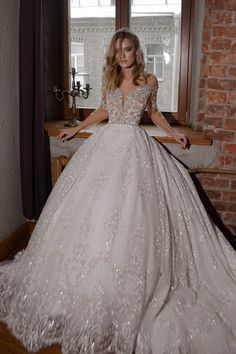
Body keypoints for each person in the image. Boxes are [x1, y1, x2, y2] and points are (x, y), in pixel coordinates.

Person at [0, 28, 236, 354]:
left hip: (135, 147)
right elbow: (103, 111)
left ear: (136, 52)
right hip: (106, 146)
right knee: (93, 213)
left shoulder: (149, 81)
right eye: (118, 50)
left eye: (128, 49)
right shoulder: (111, 79)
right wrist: (77, 128)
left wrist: (174, 135)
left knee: (132, 214)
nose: (123, 55)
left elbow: (153, 113)